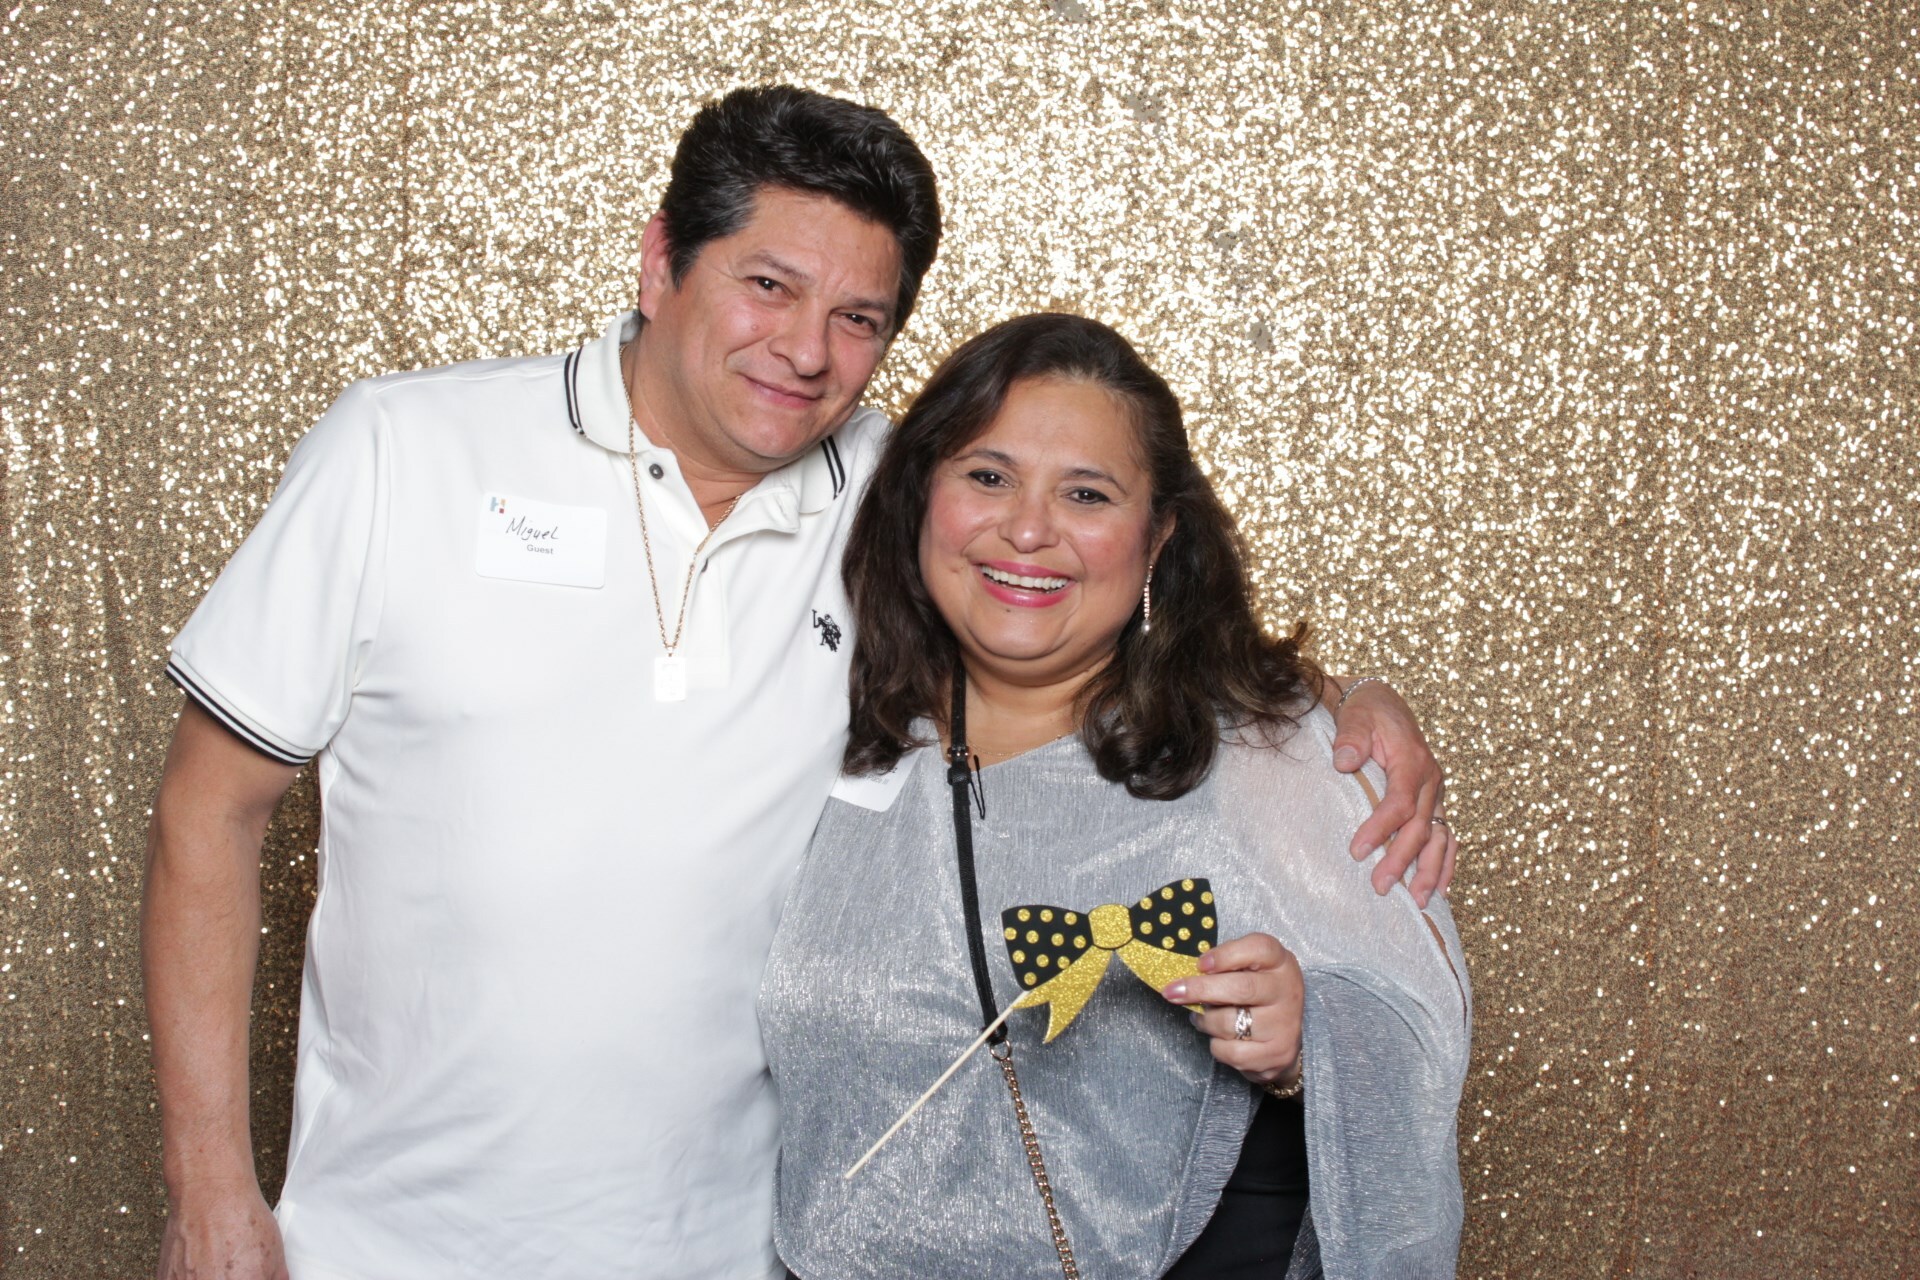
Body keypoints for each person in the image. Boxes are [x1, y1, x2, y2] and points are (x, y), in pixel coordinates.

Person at [141, 88, 1454, 1280]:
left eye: (858, 319)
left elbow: (1087, 585)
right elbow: (210, 810)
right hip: (384, 1239)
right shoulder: (402, 449)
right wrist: (210, 1188)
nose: (805, 351)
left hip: (732, 1248)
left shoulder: (893, 502)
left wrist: (1348, 708)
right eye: (768, 285)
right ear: (662, 261)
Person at [762, 314, 1470, 1279]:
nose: (1027, 529)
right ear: (920, 491)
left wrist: (1306, 1044)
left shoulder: (1266, 756)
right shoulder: (822, 720)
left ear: (1157, 535)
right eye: (988, 476)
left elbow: (1419, 1024)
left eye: (1086, 494)